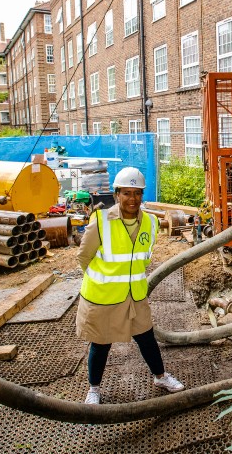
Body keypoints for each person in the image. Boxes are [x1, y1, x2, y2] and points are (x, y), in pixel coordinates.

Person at [76, 166, 184, 404]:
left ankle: (160, 376)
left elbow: (143, 258)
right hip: (104, 295)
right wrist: (103, 279)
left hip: (134, 295)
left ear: (142, 195)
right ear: (117, 194)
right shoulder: (101, 221)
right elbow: (84, 257)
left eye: (137, 193)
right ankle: (93, 389)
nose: (132, 199)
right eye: (126, 193)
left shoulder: (150, 223)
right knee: (101, 343)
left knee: (146, 338)